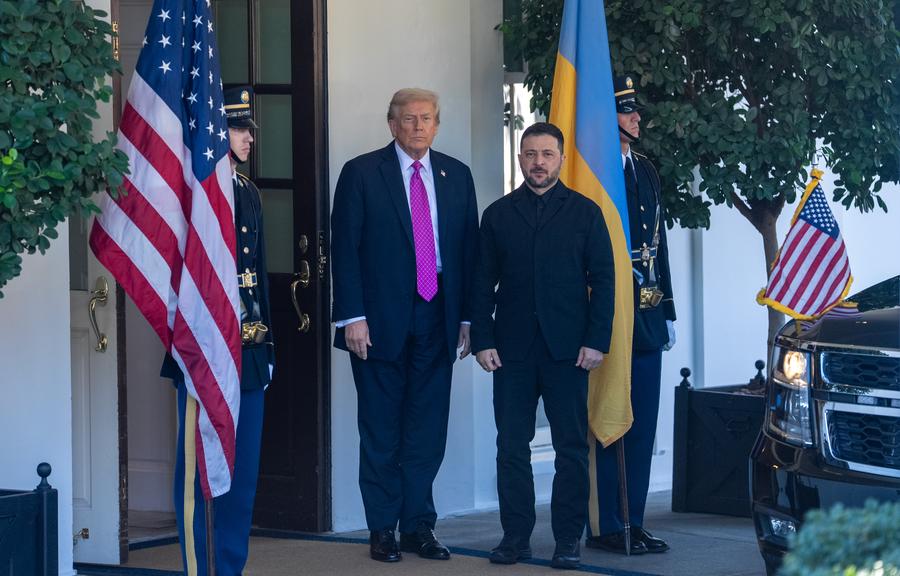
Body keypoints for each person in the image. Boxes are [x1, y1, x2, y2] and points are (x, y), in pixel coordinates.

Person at [331, 88, 479, 563]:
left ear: (437, 125)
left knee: (427, 429)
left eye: (426, 118)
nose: (418, 127)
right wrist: (352, 317)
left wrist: (468, 317)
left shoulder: (457, 175)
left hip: (438, 316)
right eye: (409, 119)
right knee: (380, 428)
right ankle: (382, 528)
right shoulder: (360, 173)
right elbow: (344, 248)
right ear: (391, 124)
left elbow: (469, 253)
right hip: (377, 322)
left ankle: (418, 526)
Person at [471, 122, 616, 570]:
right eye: (530, 154)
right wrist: (482, 339)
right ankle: (515, 537)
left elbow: (605, 281)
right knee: (511, 447)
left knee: (571, 449)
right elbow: (481, 282)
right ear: (520, 159)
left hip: (569, 351)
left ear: (561, 159)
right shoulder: (497, 215)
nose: (538, 162)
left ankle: (567, 540)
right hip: (510, 351)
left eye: (547, 154)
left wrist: (596, 341)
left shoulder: (586, 213)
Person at [162, 85, 275, 575]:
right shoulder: (193, 191)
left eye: (249, 128)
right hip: (206, 350)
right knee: (201, 471)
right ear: (213, 131)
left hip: (248, 351)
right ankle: (202, 568)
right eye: (238, 128)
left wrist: (268, 346)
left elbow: (257, 276)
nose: (249, 138)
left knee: (242, 475)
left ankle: (229, 567)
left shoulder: (246, 190)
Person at [586, 74, 676, 555]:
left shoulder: (645, 169)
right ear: (608, 119)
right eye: (627, 110)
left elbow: (660, 246)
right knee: (608, 418)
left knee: (642, 422)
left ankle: (633, 520)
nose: (637, 117)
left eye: (635, 109)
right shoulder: (595, 176)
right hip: (609, 315)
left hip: (647, 314)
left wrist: (670, 308)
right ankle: (606, 524)